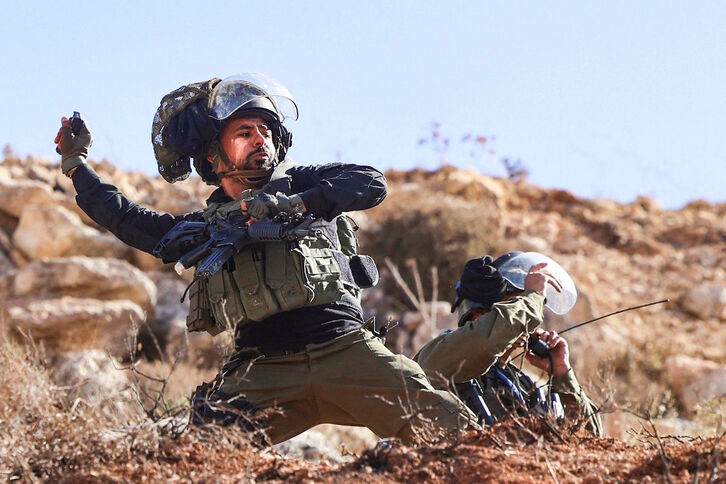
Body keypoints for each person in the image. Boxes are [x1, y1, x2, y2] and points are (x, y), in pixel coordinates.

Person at [55, 74, 484, 445]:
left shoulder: (304, 182)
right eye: (244, 133)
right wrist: (76, 164)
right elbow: (127, 218)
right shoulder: (207, 228)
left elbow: (371, 182)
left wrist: (296, 204)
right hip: (260, 371)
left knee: (461, 436)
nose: (259, 139)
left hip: (348, 352)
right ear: (212, 156)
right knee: (193, 458)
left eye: (264, 131)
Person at [415, 253, 603, 436]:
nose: (528, 323)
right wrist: (534, 296)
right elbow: (485, 341)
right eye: (517, 307)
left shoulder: (521, 383)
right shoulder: (440, 356)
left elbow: (591, 441)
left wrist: (562, 374)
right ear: (481, 316)